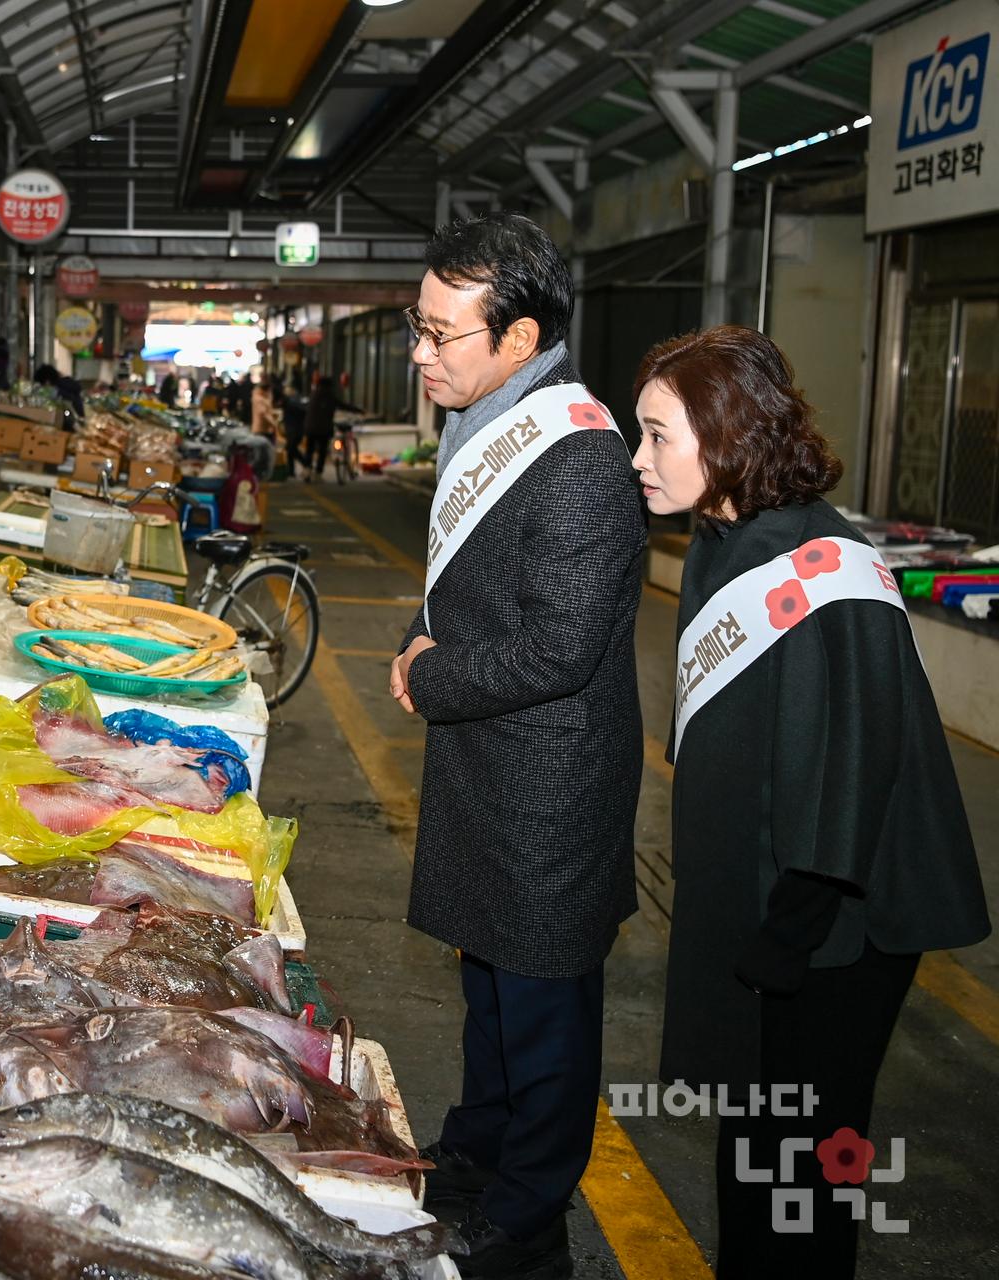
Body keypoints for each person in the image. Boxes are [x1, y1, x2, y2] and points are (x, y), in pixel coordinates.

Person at [633, 326, 988, 1279]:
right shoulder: (723, 537)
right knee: (757, 1145)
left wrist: (784, 935)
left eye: (657, 435)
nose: (640, 459)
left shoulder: (829, 567)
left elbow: (859, 768)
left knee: (806, 1166)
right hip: (774, 906)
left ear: (725, 433)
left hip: (833, 928)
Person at [386, 212, 645, 1279]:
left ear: (520, 333)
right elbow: (464, 581)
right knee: (489, 990)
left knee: (544, 1015)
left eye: (441, 333)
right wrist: (418, 633)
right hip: (489, 764)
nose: (419, 351)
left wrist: (432, 676)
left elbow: (561, 646)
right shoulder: (488, 413)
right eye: (418, 323)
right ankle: (476, 1148)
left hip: (546, 780)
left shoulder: (579, 454)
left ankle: (530, 1211)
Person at [301, 374, 350, 480]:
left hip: (310, 428)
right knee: (322, 451)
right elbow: (343, 406)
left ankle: (307, 469)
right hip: (324, 429)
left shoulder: (313, 395)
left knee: (309, 449)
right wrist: (359, 411)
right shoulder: (330, 396)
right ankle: (318, 472)